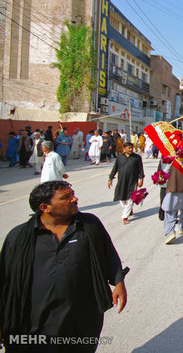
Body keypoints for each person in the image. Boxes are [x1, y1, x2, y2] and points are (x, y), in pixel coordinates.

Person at [0, 181, 128, 351]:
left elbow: (107, 253)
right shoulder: (19, 237)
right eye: (66, 197)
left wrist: (118, 281)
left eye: (72, 194)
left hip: (82, 314)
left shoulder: (89, 225)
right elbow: (5, 280)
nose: (75, 199)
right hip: (37, 319)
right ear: (45, 208)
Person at [108, 142, 145, 225]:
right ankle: (129, 209)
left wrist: (141, 179)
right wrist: (110, 178)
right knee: (121, 198)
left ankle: (125, 217)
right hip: (122, 181)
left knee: (130, 198)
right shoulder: (120, 157)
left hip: (133, 181)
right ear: (124, 148)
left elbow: (140, 169)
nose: (131, 149)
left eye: (132, 148)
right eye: (129, 148)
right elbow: (115, 168)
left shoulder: (137, 157)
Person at [161, 165, 183, 243]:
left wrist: (159, 177)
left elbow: (165, 171)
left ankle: (170, 232)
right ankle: (182, 228)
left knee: (170, 209)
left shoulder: (174, 158)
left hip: (174, 185)